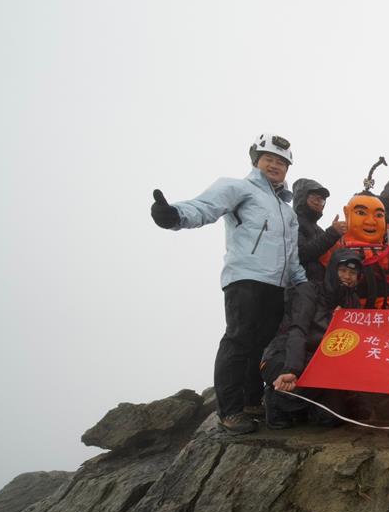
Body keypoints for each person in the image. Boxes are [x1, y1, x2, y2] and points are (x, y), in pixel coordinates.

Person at [149, 132, 307, 435]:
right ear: (256, 161)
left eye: (282, 162)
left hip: (278, 286)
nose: (275, 165)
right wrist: (174, 215)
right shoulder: (238, 187)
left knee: (261, 346)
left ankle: (250, 401)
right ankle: (230, 411)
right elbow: (204, 206)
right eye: (269, 159)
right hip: (245, 278)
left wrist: (301, 283)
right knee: (238, 340)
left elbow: (293, 253)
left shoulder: (287, 211)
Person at [260, 249, 365, 428]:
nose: (347, 276)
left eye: (353, 273)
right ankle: (275, 400)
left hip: (320, 362)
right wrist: (291, 368)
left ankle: (304, 407)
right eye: (343, 270)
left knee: (331, 419)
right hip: (283, 356)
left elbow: (356, 340)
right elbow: (297, 330)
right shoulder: (308, 290)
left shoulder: (353, 301)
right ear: (332, 269)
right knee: (302, 382)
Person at [293, 178, 347, 283]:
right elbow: (301, 254)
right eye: (314, 198)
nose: (318, 202)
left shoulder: (319, 230)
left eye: (322, 200)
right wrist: (332, 233)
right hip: (301, 287)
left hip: (321, 289)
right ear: (302, 197)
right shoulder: (293, 222)